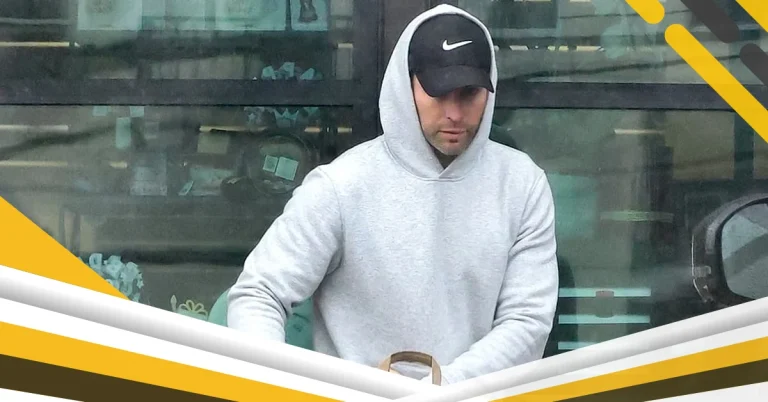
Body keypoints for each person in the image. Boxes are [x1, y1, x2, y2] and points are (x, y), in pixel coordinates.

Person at [227, 4, 559, 385]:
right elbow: (259, 293)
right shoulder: (341, 186)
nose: (454, 113)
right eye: (438, 92)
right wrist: (278, 388)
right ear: (407, 85)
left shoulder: (521, 186)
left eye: (469, 93)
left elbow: (527, 321)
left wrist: (440, 390)